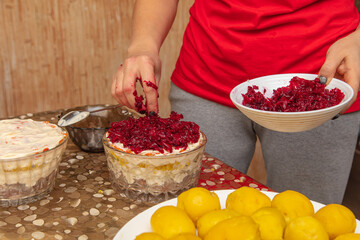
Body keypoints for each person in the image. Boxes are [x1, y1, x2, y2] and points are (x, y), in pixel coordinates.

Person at [111, 0, 360, 204]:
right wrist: (144, 44)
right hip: (207, 74)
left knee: (308, 222)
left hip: (322, 85)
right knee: (193, 214)